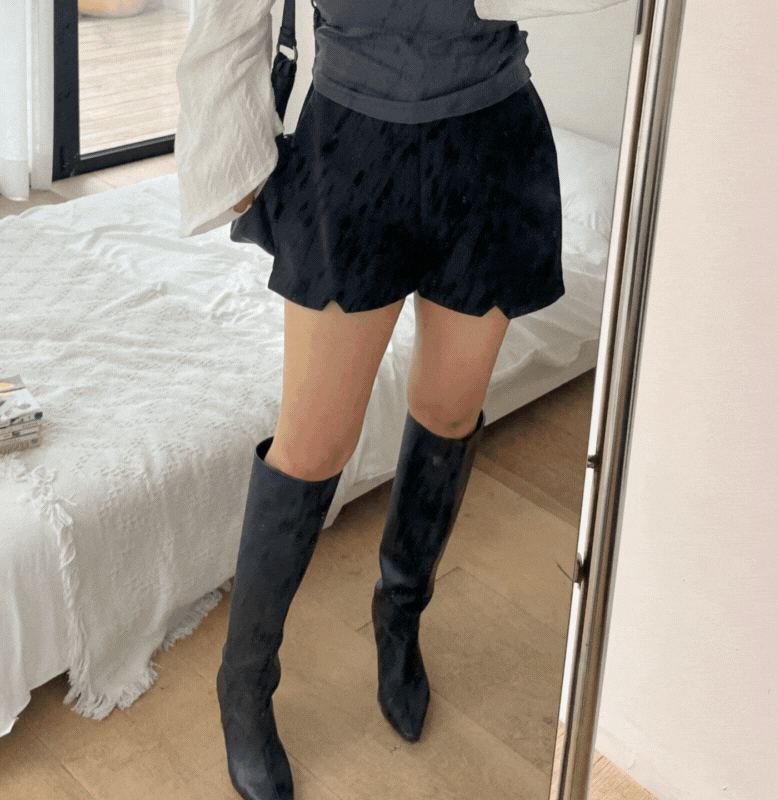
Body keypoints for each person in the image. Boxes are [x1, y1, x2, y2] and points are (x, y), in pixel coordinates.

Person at [176, 1, 622, 798]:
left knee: (450, 411)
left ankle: (400, 614)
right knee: (313, 442)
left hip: (492, 141)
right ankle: (244, 682)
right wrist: (234, 160)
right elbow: (228, 15)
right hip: (351, 142)